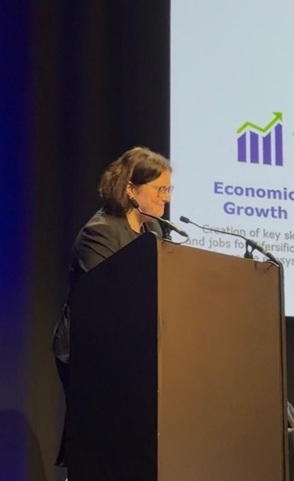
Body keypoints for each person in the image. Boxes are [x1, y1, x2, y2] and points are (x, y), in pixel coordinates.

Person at [51, 146, 173, 467]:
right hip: (91, 350)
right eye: (160, 189)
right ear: (131, 189)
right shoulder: (100, 232)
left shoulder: (153, 231)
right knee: (102, 441)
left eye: (168, 190)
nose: (166, 198)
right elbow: (106, 300)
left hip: (136, 347)